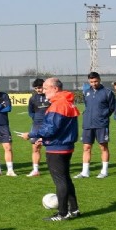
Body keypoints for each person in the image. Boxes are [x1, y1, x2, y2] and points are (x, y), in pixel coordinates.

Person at [21, 78, 80, 221]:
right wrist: (44, 138)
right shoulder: (67, 102)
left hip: (57, 148)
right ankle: (74, 209)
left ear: (55, 88)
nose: (44, 90)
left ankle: (63, 213)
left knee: (60, 180)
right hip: (64, 145)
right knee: (65, 178)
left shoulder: (58, 105)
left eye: (46, 88)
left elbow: (51, 128)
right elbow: (60, 128)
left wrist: (32, 134)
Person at [75, 72, 116, 179]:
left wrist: (103, 115)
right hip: (88, 123)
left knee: (103, 146)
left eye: (96, 81)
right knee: (86, 147)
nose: (94, 83)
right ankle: (85, 172)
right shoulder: (86, 92)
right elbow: (86, 105)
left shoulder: (107, 92)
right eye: (91, 82)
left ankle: (104, 171)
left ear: (99, 80)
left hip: (101, 124)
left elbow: (112, 108)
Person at [27, 78, 50, 177]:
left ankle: (55, 168)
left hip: (49, 125)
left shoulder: (50, 96)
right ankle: (35, 170)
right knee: (35, 147)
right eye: (36, 88)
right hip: (37, 125)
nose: (38, 90)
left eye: (40, 87)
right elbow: (30, 111)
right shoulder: (33, 98)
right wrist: (35, 118)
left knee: (51, 147)